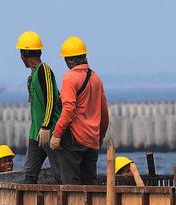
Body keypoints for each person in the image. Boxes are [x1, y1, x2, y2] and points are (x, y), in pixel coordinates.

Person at [49, 36, 109, 185]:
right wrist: (99, 137)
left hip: (74, 140)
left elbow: (69, 109)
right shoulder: (96, 79)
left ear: (69, 60)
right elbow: (104, 114)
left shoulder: (70, 78)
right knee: (90, 185)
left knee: (71, 185)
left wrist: (57, 134)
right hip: (92, 140)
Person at [15, 31, 62, 184]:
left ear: (24, 54)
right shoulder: (34, 74)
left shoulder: (44, 70)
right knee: (29, 174)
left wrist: (46, 127)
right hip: (36, 133)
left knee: (59, 173)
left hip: (49, 131)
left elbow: (51, 99)